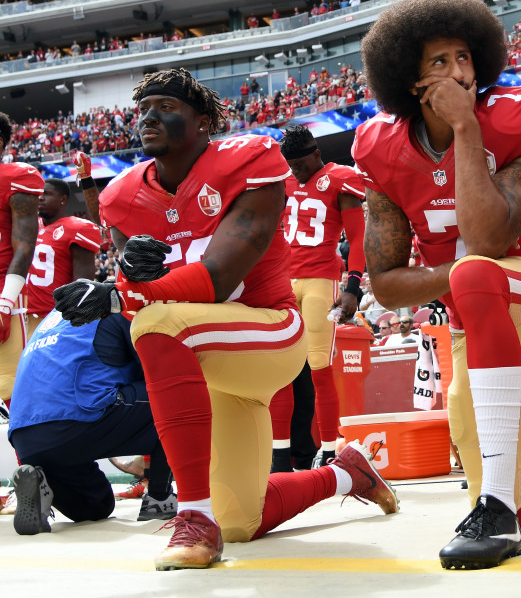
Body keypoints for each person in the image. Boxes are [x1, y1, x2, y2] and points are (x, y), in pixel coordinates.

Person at [52, 68, 398, 571]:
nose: (149, 116)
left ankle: (192, 517)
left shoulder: (249, 161)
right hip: (209, 359)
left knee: (153, 323)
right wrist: (126, 283)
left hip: (268, 330)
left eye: (166, 107)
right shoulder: (122, 197)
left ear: (202, 123)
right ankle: (346, 474)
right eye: (143, 108)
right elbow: (138, 291)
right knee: (240, 520)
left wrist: (119, 297)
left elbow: (216, 278)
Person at [354, 0, 521, 570]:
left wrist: (467, 130)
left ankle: (496, 504)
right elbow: (389, 285)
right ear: (408, 78)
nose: (458, 72)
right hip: (474, 319)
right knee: (504, 496)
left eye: (465, 57)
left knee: (477, 270)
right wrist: (460, 279)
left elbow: (491, 241)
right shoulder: (382, 147)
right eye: (439, 62)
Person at [6, 312, 175, 534]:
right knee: (176, 395)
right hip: (75, 420)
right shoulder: (121, 309)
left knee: (97, 505)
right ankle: (160, 497)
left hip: (25, 437)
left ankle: (40, 483)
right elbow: (158, 370)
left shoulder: (54, 318)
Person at [270, 125, 367, 472]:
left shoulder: (340, 178)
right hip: (282, 279)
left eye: (299, 163)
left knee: (319, 368)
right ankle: (279, 454)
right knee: (279, 370)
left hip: (319, 280)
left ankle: (328, 449)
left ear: (316, 154)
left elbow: (357, 238)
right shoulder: (282, 181)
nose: (295, 171)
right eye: (290, 165)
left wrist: (352, 287)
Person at [0, 111, 44, 406]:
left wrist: (5, 303)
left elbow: (24, 245)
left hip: (4, 292)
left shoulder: (16, 178)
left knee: (15, 394)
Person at [23, 178, 101, 339]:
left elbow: (82, 285)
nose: (40, 197)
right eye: (38, 193)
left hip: (53, 317)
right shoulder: (29, 226)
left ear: (62, 199)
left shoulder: (76, 228)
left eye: (46, 194)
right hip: (22, 315)